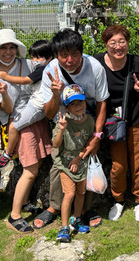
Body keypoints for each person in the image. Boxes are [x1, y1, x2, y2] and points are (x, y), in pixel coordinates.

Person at [33, 28, 109, 229]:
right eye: (64, 55)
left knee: (88, 162)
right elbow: (49, 113)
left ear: (81, 52)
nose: (69, 60)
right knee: (59, 164)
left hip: (88, 121)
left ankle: (84, 209)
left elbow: (102, 103)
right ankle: (54, 207)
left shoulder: (95, 67)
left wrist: (97, 135)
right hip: (64, 122)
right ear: (57, 55)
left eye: (74, 53)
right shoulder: (50, 70)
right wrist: (56, 95)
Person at [0, 30, 53, 233]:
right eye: (3, 48)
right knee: (30, 169)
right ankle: (14, 216)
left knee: (36, 164)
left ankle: (22, 203)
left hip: (38, 117)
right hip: (19, 124)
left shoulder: (28, 64)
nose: (8, 51)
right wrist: (4, 93)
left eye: (11, 47)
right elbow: (6, 110)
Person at [94, 24, 139, 222]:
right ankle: (118, 200)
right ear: (105, 44)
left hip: (136, 116)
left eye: (122, 42)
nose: (118, 47)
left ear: (127, 42)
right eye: (113, 42)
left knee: (138, 161)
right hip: (112, 121)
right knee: (118, 165)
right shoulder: (97, 63)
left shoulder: (136, 62)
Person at [0, 39, 53, 168]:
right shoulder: (47, 67)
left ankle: (8, 154)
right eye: (32, 56)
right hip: (35, 103)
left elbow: (25, 80)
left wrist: (5, 76)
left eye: (39, 57)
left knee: (14, 126)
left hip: (37, 106)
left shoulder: (43, 69)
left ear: (49, 58)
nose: (34, 60)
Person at [53, 84, 94, 243]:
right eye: (73, 104)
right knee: (69, 193)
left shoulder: (89, 120)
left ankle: (76, 219)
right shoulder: (63, 121)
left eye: (80, 102)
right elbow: (56, 145)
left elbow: (90, 141)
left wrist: (79, 158)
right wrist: (62, 130)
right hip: (65, 163)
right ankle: (64, 227)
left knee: (80, 193)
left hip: (81, 161)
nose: (78, 107)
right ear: (67, 107)